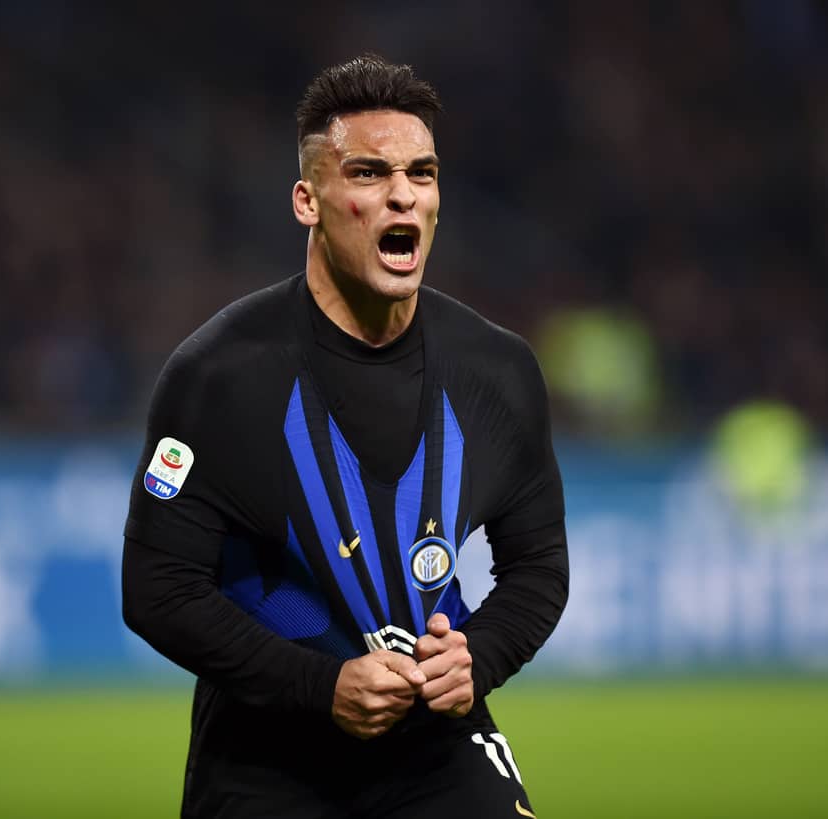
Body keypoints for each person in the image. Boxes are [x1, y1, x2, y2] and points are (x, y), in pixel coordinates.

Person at [122, 54, 568, 819]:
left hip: (433, 744)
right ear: (308, 200)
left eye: (422, 173)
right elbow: (157, 587)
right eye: (368, 172)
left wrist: (478, 656)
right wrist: (320, 685)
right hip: (267, 752)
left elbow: (539, 565)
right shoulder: (217, 376)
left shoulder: (498, 373)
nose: (402, 193)